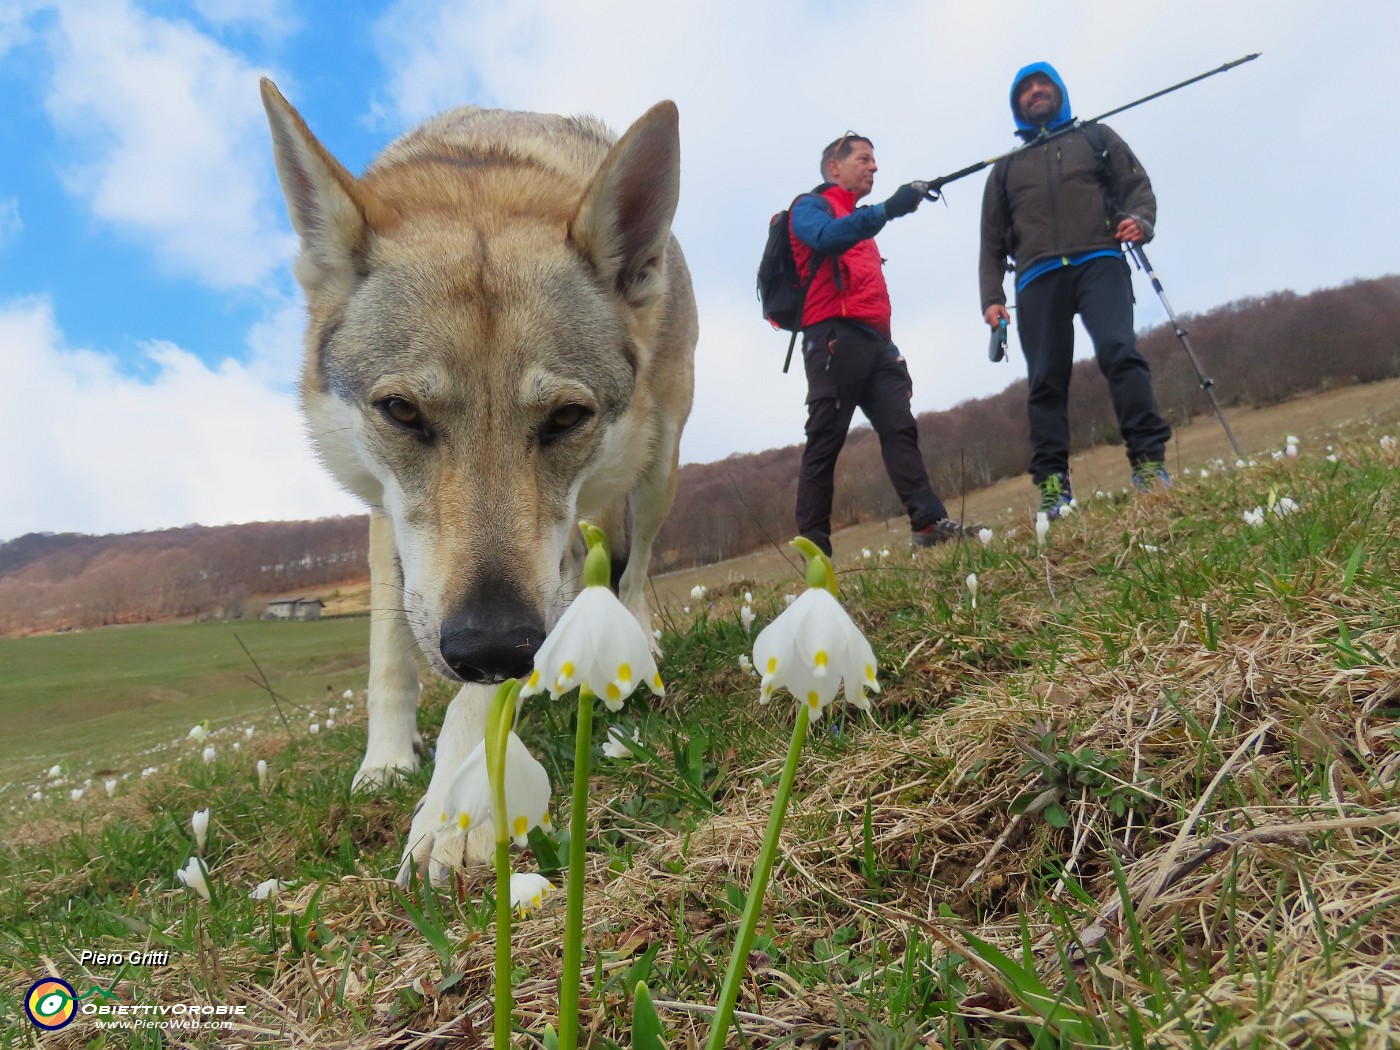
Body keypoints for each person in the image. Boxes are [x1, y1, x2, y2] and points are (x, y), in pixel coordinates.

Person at [979, 63, 1174, 518]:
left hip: (1099, 260)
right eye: (1025, 89)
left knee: (1120, 352)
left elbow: (1137, 189)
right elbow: (990, 241)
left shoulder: (1097, 138)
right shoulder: (1005, 169)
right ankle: (1052, 486)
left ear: (1059, 91)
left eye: (1043, 83)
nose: (1036, 91)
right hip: (1034, 277)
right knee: (1045, 379)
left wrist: (1141, 223)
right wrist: (991, 297)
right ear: (1017, 105)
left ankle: (1149, 465)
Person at [789, 132, 962, 556]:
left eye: (874, 160)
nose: (874, 167)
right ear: (835, 166)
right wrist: (888, 209)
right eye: (864, 159)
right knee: (826, 439)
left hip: (876, 343)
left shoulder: (862, 221)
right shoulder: (809, 207)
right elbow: (827, 238)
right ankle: (814, 549)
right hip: (832, 339)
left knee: (900, 426)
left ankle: (928, 522)